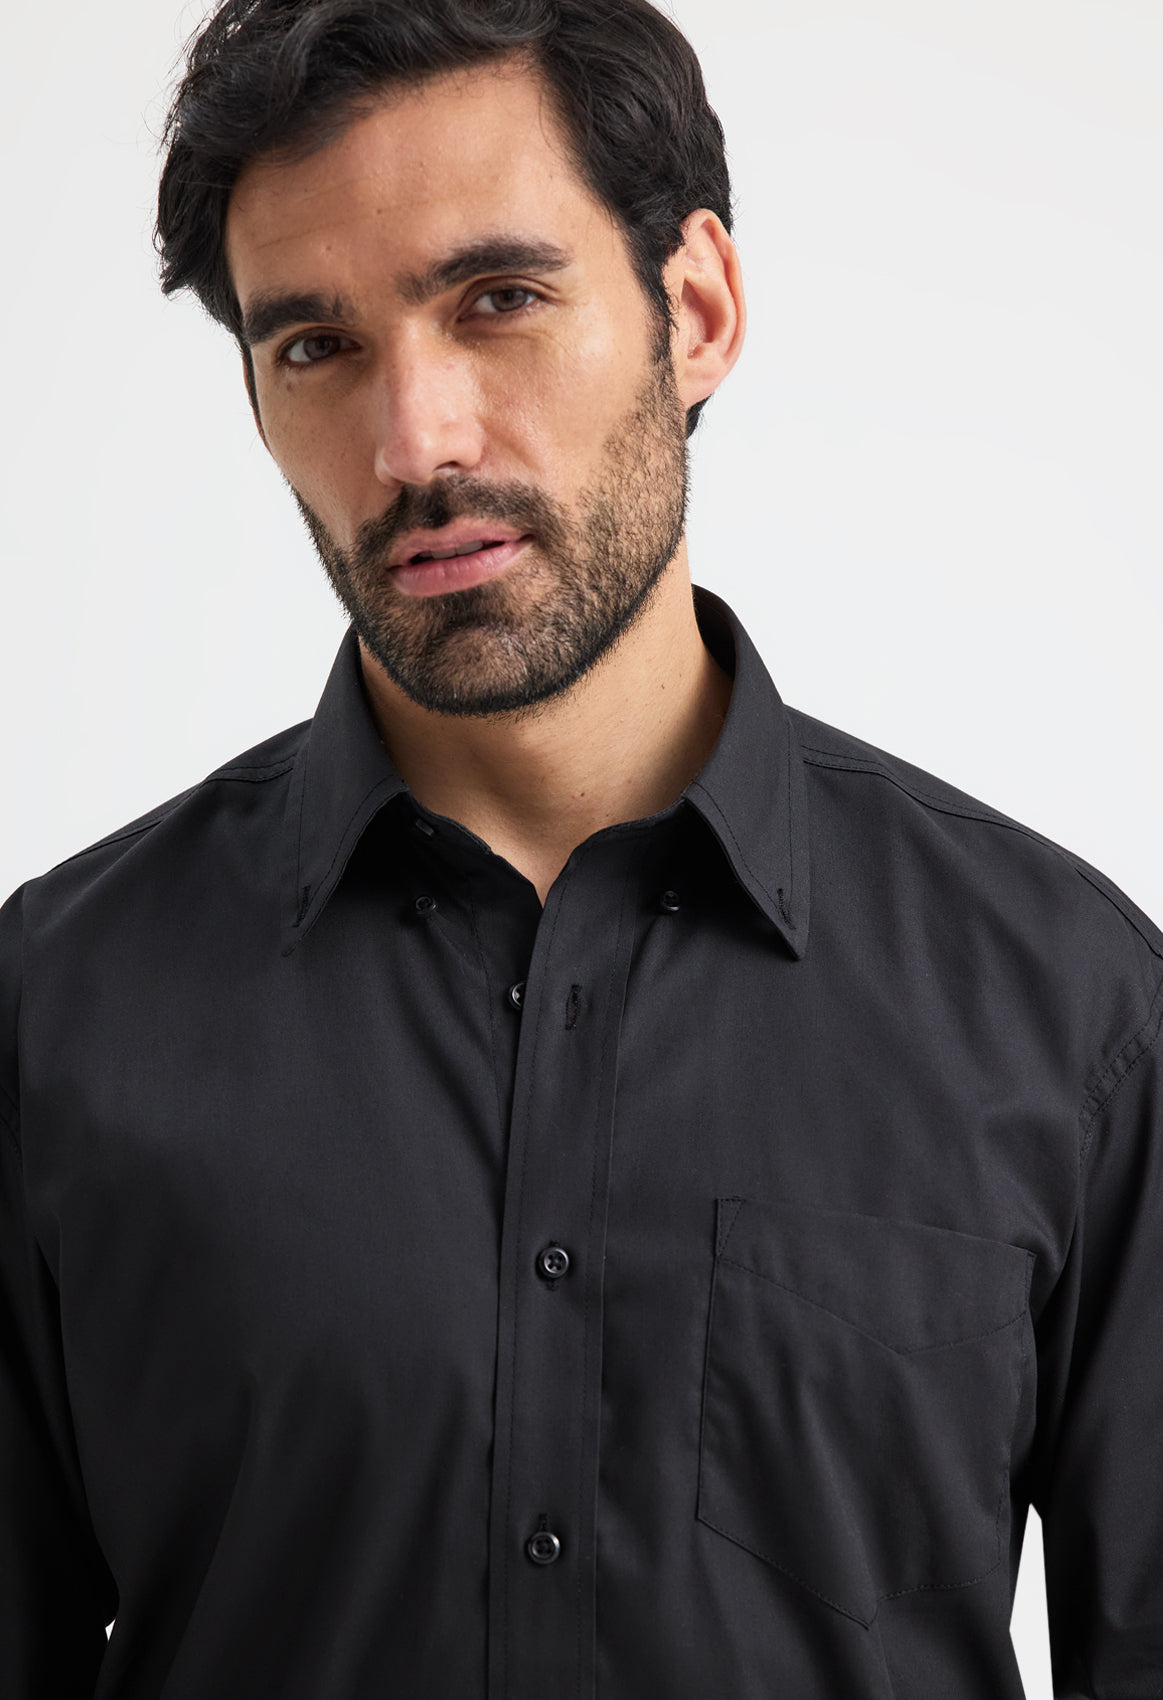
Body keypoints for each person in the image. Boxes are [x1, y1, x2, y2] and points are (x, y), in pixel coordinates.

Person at [1, 0, 1159, 1693]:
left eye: (500, 300)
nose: (416, 442)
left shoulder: (1070, 1010)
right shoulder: (56, 1018)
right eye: (316, 345)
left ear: (696, 311)